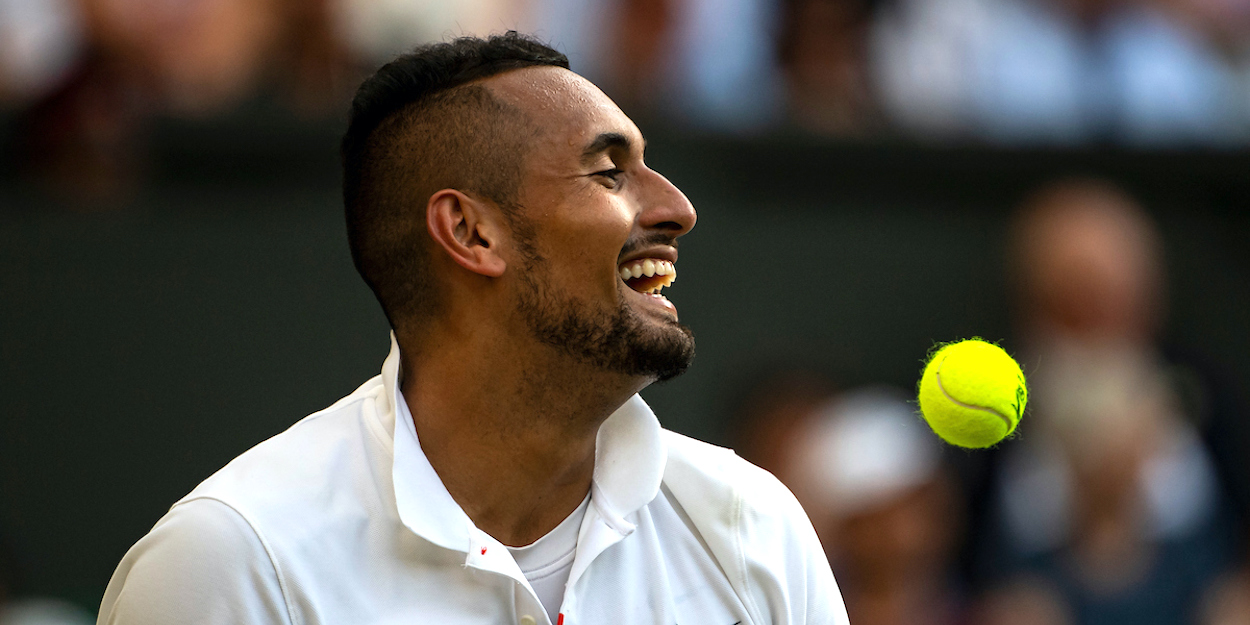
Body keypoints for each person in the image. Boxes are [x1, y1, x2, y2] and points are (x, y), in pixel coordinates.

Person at [96, 32, 848, 625]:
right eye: (609, 172)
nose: (677, 208)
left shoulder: (756, 528)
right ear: (470, 232)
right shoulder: (229, 564)